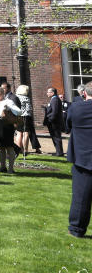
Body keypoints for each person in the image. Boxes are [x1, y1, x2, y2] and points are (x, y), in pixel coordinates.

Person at [66, 79, 92, 238]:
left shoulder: (76, 108)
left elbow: (67, 125)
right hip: (83, 157)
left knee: (81, 198)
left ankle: (76, 229)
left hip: (83, 158)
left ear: (84, 93)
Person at [0, 86, 22, 174]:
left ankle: (11, 169)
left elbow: (19, 111)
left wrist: (8, 109)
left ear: (3, 93)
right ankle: (3, 167)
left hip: (6, 126)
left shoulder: (8, 101)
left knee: (9, 147)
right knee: (0, 147)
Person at [15, 84, 41, 156]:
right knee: (26, 133)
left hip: (18, 117)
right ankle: (25, 150)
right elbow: (29, 109)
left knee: (19, 133)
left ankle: (18, 149)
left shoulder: (15, 97)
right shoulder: (26, 98)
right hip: (26, 117)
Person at [45, 88, 67, 157]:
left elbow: (55, 112)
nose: (47, 93)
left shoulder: (55, 100)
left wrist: (50, 119)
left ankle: (59, 153)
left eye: (48, 92)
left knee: (56, 137)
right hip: (54, 122)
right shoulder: (54, 99)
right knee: (55, 137)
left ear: (53, 93)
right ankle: (58, 152)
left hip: (55, 122)